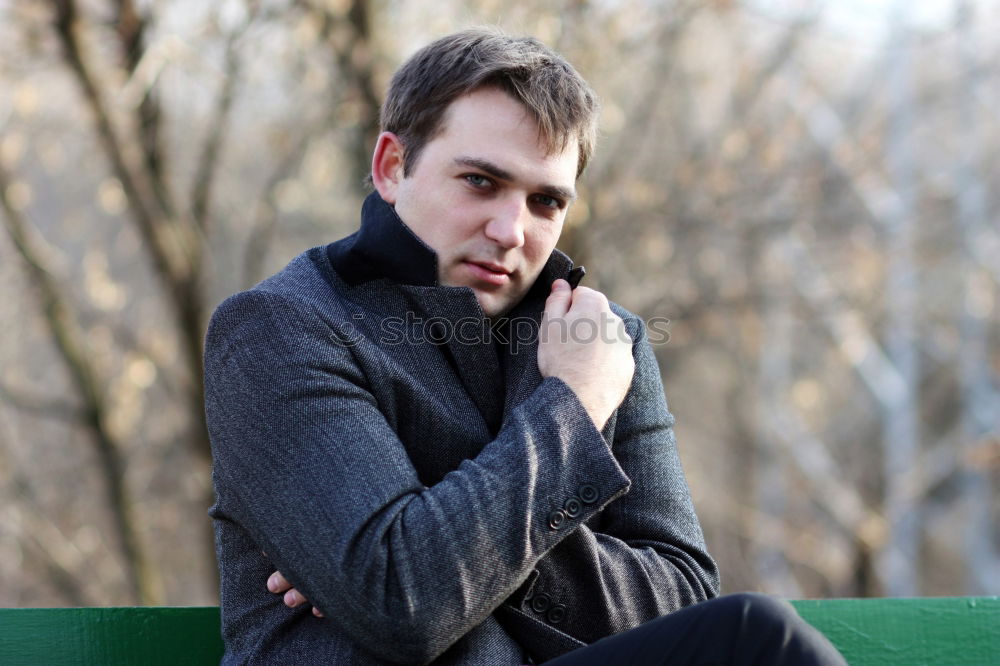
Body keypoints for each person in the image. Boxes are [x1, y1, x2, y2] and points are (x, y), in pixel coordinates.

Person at [204, 28, 847, 665]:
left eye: (545, 201)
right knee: (758, 636)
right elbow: (404, 608)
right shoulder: (277, 328)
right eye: (481, 181)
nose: (511, 230)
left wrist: (429, 538)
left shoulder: (599, 341)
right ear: (392, 168)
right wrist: (572, 405)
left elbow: (680, 595)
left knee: (753, 639)